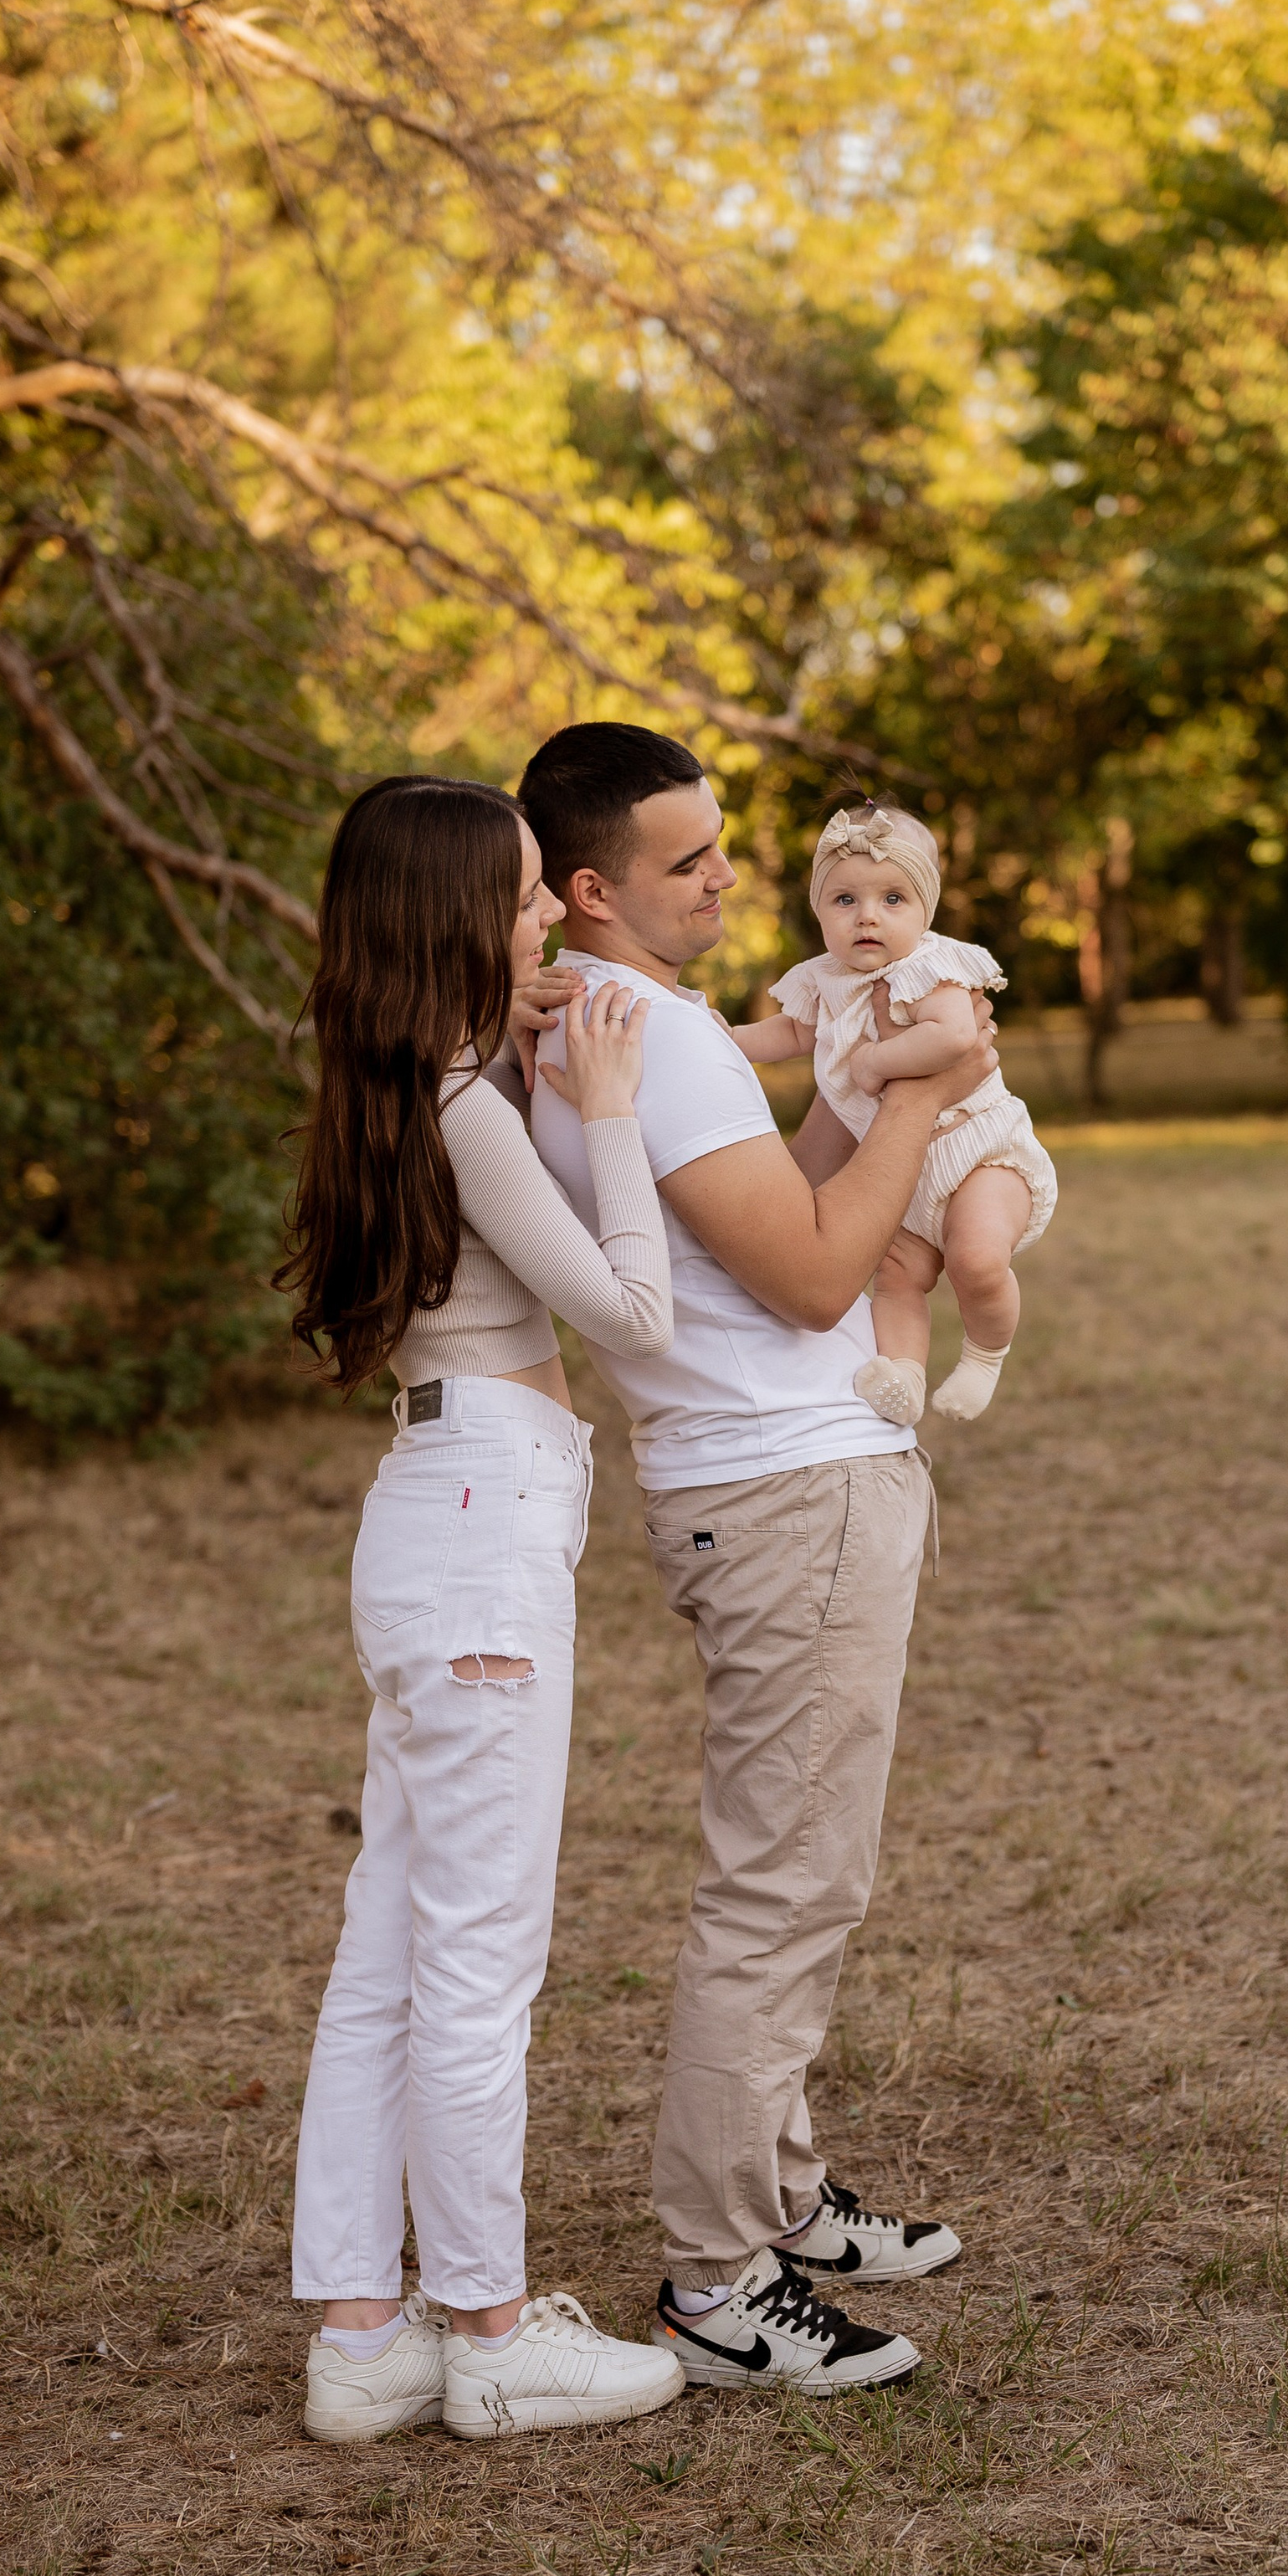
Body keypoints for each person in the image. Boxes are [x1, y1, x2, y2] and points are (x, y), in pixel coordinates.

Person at [516, 723, 995, 2397]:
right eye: (689, 859)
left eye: (727, 845)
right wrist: (924, 1097)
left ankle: (780, 2199)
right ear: (592, 886)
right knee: (784, 1883)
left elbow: (761, 1213)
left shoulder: (605, 1025)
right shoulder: (650, 1026)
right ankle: (719, 2278)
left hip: (771, 1472)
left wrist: (856, 1114)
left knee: (794, 1865)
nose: (730, 875)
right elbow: (807, 1281)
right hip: (785, 1487)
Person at [277, 773, 685, 2445]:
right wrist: (598, 1110)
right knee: (475, 1961)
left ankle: (362, 2334)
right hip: (482, 1532)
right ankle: (492, 2329)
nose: (543, 920)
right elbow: (637, 1316)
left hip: (432, 1518)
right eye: (521, 897)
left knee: (392, 1946)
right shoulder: (468, 1105)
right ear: (454, 916)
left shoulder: (401, 1085)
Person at [732, 797, 1056, 1426]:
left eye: (892, 900)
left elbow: (958, 1039)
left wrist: (877, 1064)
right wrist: (725, 1039)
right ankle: (904, 1375)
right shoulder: (823, 979)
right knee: (896, 1276)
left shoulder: (931, 968)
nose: (867, 918)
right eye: (845, 900)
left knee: (975, 1259)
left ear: (925, 909)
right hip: (902, 1169)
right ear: (820, 910)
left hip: (979, 1155)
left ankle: (985, 1354)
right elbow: (790, 1034)